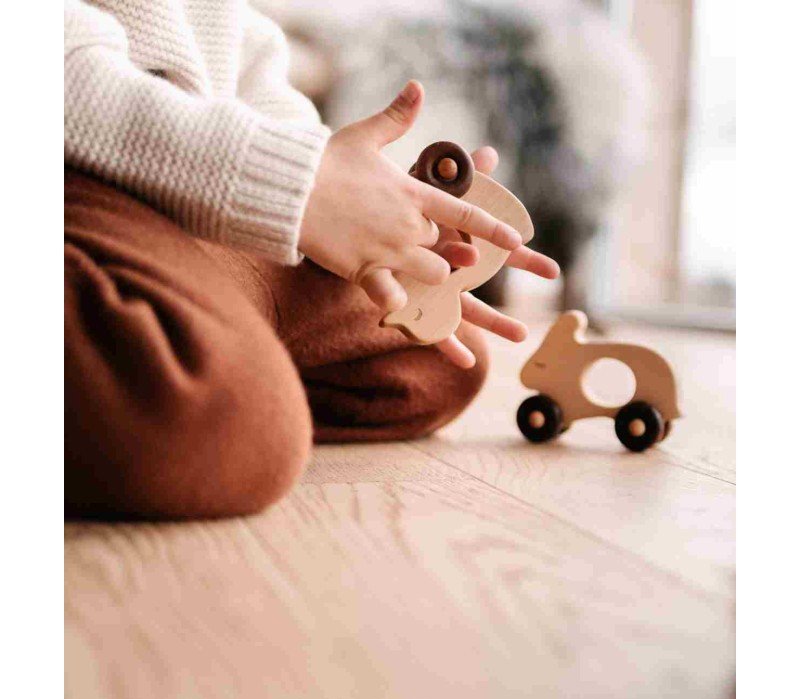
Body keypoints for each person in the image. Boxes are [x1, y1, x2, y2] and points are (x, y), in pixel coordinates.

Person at [65, 0, 559, 519]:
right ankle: (211, 364)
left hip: (188, 200)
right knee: (213, 415)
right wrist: (298, 187)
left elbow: (238, 55)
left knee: (434, 361)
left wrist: (362, 211)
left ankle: (208, 335)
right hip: (76, 173)